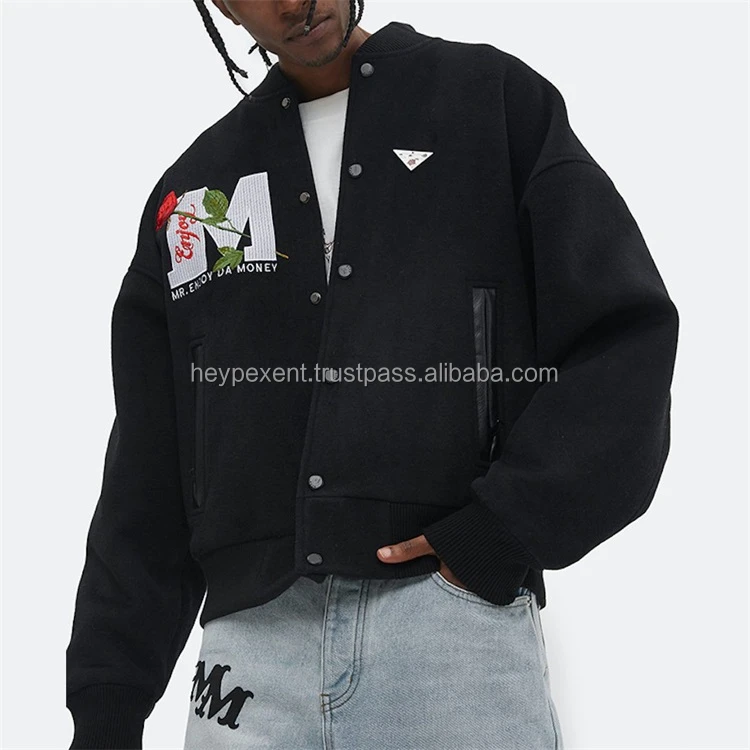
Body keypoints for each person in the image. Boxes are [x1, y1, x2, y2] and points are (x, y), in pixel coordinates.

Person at [65, 1, 680, 748]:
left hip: (448, 635)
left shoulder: (489, 102)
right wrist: (107, 703)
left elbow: (622, 338)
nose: (296, 1)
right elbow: (148, 466)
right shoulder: (196, 191)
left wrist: (500, 531)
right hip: (250, 656)